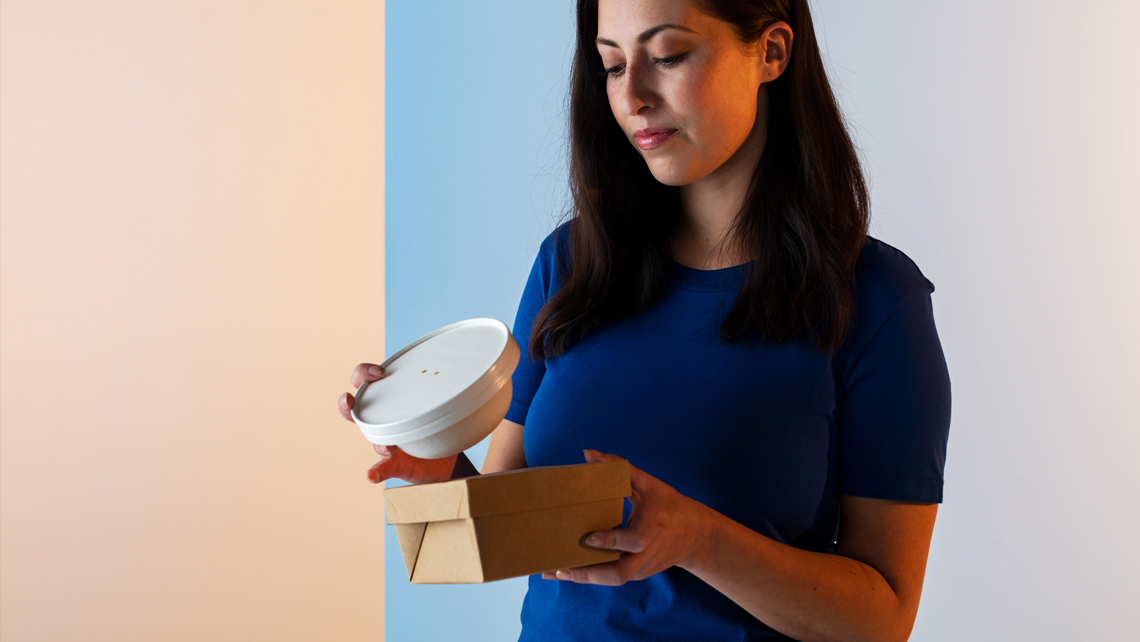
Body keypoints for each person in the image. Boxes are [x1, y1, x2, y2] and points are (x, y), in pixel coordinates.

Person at [338, 0, 951, 639]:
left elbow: (883, 620)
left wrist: (699, 539)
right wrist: (440, 468)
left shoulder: (876, 299)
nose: (632, 95)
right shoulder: (572, 263)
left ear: (770, 52)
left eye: (667, 56)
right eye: (611, 65)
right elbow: (514, 523)